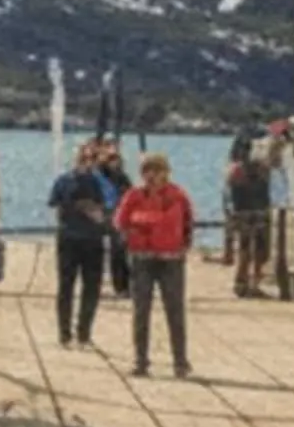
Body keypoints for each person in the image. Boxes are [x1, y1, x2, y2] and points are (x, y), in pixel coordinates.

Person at [114, 150, 195, 376]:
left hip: (171, 259)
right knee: (141, 310)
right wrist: (132, 237)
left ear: (166, 172)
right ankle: (140, 360)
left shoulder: (178, 196)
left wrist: (183, 246)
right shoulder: (134, 196)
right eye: (147, 171)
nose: (152, 176)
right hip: (142, 259)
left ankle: (180, 360)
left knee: (175, 310)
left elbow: (188, 222)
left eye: (157, 170)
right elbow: (120, 221)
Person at [47, 141, 113, 346]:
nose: (87, 163)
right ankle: (64, 332)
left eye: (91, 159)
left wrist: (98, 215)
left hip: (93, 240)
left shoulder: (102, 183)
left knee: (92, 287)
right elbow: (55, 204)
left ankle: (84, 331)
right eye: (83, 158)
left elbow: (110, 207)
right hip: (68, 238)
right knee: (66, 286)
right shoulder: (64, 180)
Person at [222, 138, 275, 297]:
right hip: (246, 211)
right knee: (248, 249)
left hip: (253, 211)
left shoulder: (258, 169)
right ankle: (244, 282)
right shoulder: (238, 170)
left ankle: (248, 282)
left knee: (256, 249)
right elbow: (230, 194)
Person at [92, 142, 132, 295]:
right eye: (110, 158)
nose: (114, 162)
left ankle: (122, 286)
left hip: (117, 214)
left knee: (119, 253)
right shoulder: (96, 175)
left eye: (115, 158)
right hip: (99, 214)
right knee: (95, 252)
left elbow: (129, 195)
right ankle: (94, 285)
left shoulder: (121, 177)